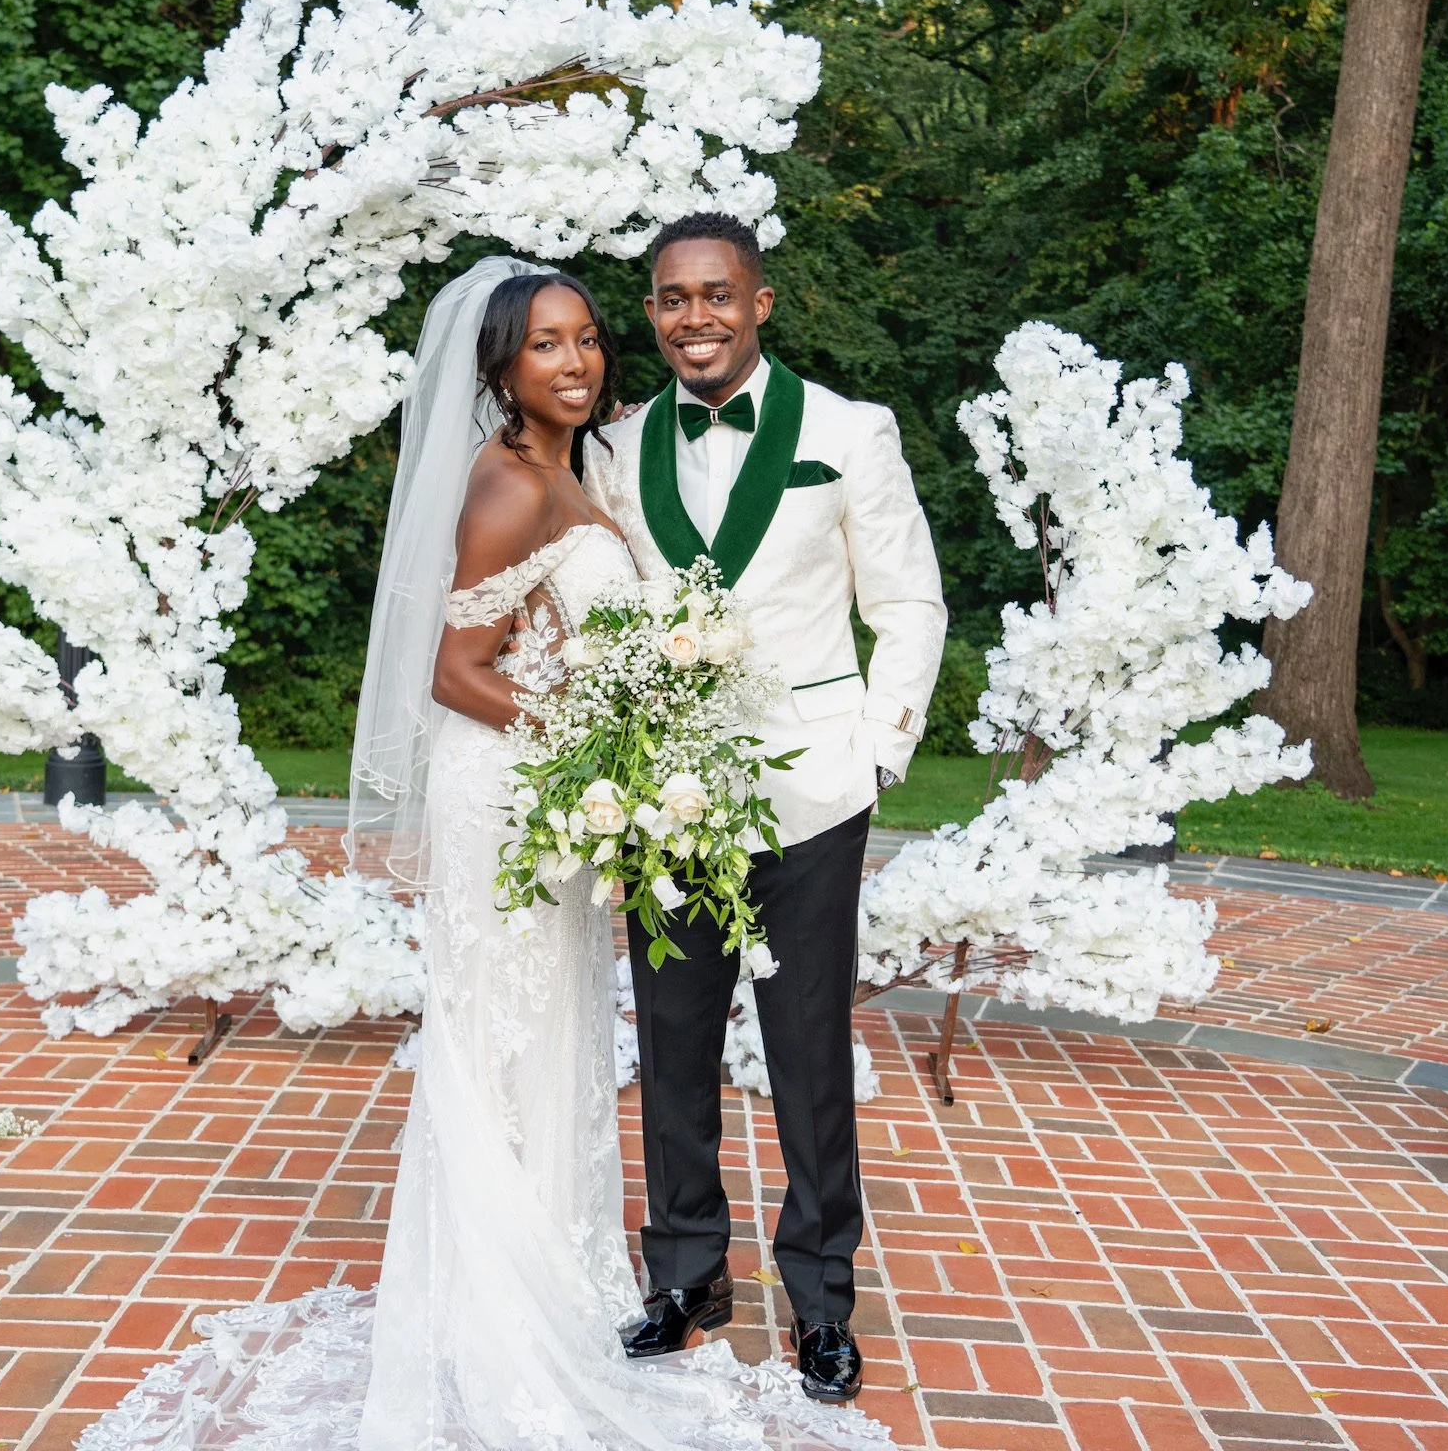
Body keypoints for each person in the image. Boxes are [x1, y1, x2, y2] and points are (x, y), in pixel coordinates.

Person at [77, 255, 890, 1450]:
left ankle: (581, 1277)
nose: (575, 360)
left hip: (596, 798)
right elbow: (455, 674)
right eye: (546, 345)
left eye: (586, 338)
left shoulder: (599, 452)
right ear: (499, 366)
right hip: (521, 794)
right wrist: (603, 749)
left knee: (558, 1032)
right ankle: (499, 1304)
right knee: (506, 1034)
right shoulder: (510, 481)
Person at [586, 212, 945, 1402]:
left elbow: (912, 608)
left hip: (812, 793)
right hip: (668, 801)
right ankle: (685, 1275)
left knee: (806, 1060)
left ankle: (821, 1300)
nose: (697, 318)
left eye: (718, 295)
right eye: (674, 300)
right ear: (653, 314)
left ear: (761, 302)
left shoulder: (849, 433)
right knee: (673, 1048)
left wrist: (878, 754)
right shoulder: (616, 447)